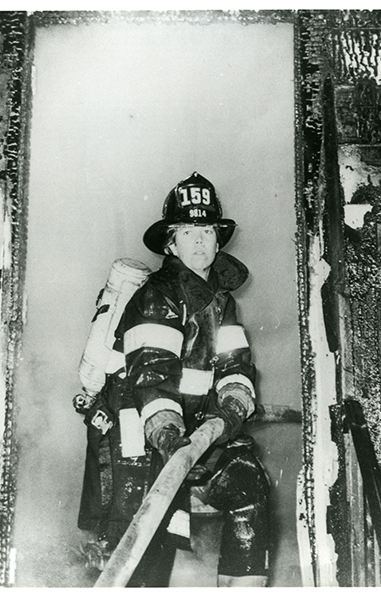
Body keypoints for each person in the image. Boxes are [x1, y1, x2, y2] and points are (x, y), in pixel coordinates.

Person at [77, 172, 270, 587]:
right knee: (140, 544)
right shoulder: (157, 295)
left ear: (218, 241)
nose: (199, 241)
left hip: (189, 432)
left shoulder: (220, 300)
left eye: (207, 231)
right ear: (171, 244)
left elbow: (235, 363)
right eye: (187, 232)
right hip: (136, 436)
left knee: (246, 480)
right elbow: (153, 374)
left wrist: (234, 401)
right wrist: (169, 436)